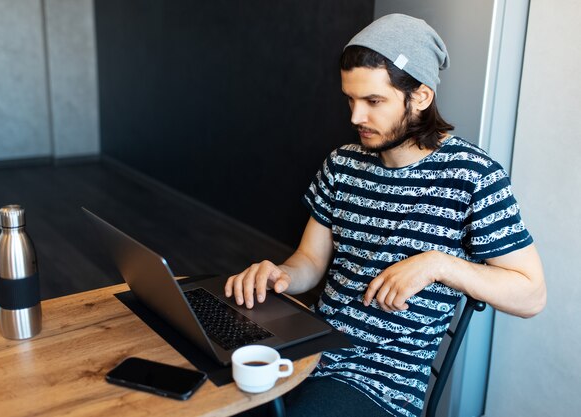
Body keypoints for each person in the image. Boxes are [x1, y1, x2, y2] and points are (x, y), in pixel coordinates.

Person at [225, 13, 546, 417]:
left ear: (421, 97)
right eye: (350, 99)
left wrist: (438, 265)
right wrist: (281, 275)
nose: (356, 117)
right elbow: (309, 260)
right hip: (307, 351)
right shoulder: (342, 164)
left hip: (379, 383)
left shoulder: (474, 176)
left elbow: (531, 294)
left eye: (374, 101)